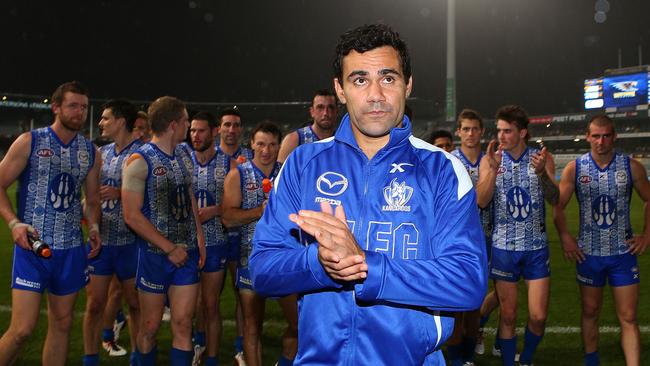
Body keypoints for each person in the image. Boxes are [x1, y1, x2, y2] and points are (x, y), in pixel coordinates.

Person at [249, 24, 487, 365]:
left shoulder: (443, 170)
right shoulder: (303, 164)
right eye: (360, 79)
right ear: (340, 90)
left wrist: (365, 267)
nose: (375, 94)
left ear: (408, 84)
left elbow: (468, 282)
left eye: (388, 78)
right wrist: (318, 262)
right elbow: (262, 269)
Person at [0, 81, 102, 365]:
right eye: (73, 106)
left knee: (62, 325)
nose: (79, 112)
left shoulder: (91, 152)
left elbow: (93, 200)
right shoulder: (30, 141)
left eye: (83, 107)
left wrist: (93, 227)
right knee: (21, 330)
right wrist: (13, 224)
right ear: (56, 107)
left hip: (71, 250)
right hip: (34, 247)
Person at [553, 114, 650, 366]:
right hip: (589, 254)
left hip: (622, 253)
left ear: (614, 136)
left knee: (628, 317)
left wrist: (647, 234)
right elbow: (558, 206)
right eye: (595, 136)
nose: (601, 141)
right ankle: (591, 361)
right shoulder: (575, 168)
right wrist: (565, 237)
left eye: (606, 135)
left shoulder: (631, 166)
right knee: (590, 311)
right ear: (587, 137)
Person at [121, 96, 206, 366]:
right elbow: (131, 215)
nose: (188, 127)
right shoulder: (139, 160)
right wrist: (170, 248)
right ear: (173, 124)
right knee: (150, 327)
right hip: (155, 256)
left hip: (187, 255)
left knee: (182, 325)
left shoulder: (184, 154)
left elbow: (189, 196)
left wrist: (199, 237)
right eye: (185, 121)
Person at [476, 105, 559, 366]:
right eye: (499, 130)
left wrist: (542, 173)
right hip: (503, 248)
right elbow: (481, 200)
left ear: (522, 132)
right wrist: (491, 169)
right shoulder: (489, 160)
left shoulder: (542, 158)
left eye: (507, 131)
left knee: (538, 317)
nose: (500, 136)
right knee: (509, 316)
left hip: (536, 249)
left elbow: (556, 198)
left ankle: (527, 360)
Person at [222, 121, 297, 366]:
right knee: (251, 328)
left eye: (272, 144)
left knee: (299, 324)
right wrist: (259, 211)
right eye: (261, 144)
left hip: (284, 261)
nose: (266, 150)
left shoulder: (288, 172)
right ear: (252, 144)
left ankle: (285, 362)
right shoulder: (238, 174)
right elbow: (228, 218)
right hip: (250, 260)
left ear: (279, 146)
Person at [82, 99, 143, 365]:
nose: (100, 122)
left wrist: (122, 193)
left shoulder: (144, 153)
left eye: (106, 118)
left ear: (120, 121)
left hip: (133, 242)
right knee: (95, 304)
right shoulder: (100, 153)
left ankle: (138, 357)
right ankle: (90, 358)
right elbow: (90, 195)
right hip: (103, 241)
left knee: (135, 304)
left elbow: (153, 197)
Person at [448, 109, 496, 365]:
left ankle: (467, 353)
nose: (470, 133)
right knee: (457, 302)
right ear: (459, 132)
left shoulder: (490, 161)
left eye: (474, 129)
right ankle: (457, 357)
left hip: (486, 237)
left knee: (475, 303)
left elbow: (484, 200)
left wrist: (490, 172)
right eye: (465, 129)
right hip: (456, 241)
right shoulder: (449, 159)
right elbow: (478, 198)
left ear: (481, 132)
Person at [189, 111, 233, 366]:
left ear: (214, 132)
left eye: (201, 130)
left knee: (210, 303)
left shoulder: (229, 164)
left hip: (216, 241)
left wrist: (215, 210)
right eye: (193, 130)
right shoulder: (183, 161)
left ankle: (213, 358)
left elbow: (234, 204)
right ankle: (196, 344)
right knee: (189, 304)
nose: (196, 136)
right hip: (187, 244)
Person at [217, 107, 253, 365]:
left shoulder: (249, 158)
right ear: (219, 128)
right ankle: (200, 342)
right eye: (227, 125)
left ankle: (241, 346)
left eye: (235, 125)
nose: (231, 130)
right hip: (212, 235)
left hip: (241, 234)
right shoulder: (206, 154)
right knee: (208, 294)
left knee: (241, 291)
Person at [277, 89, 338, 163]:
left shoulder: (343, 140)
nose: (325, 113)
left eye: (330, 107)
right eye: (320, 107)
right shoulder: (294, 140)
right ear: (312, 112)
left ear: (336, 111)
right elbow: (281, 172)